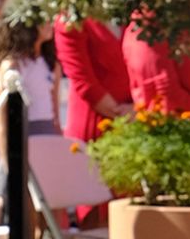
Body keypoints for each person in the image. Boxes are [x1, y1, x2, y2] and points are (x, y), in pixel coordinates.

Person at [54, 13, 132, 146]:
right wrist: (122, 113)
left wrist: (137, 108)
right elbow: (83, 81)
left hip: (134, 126)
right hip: (93, 130)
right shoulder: (71, 18)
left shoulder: (130, 13)